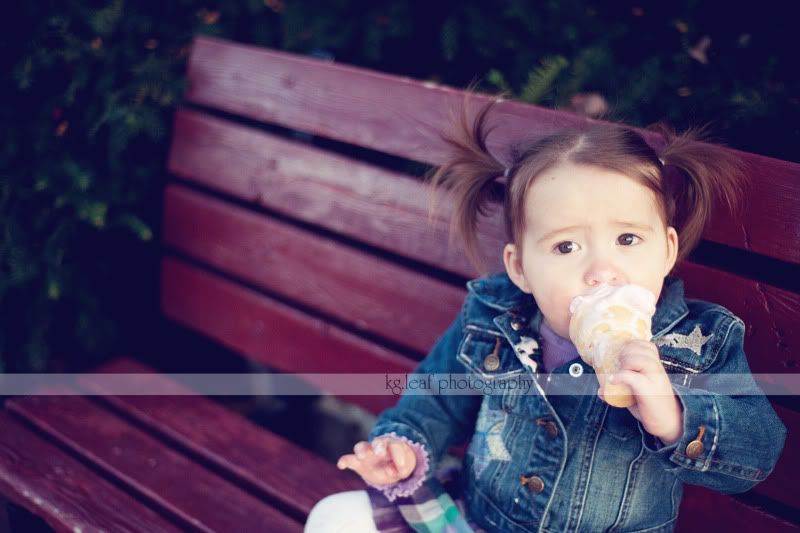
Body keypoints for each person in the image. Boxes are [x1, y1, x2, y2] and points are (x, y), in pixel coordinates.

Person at [304, 98, 787, 533]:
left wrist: (676, 417)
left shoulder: (698, 343)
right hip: (477, 520)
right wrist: (403, 448)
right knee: (337, 517)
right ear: (521, 269)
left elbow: (759, 451)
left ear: (665, 251)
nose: (601, 271)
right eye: (566, 246)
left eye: (626, 239)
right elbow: (433, 398)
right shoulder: (491, 316)